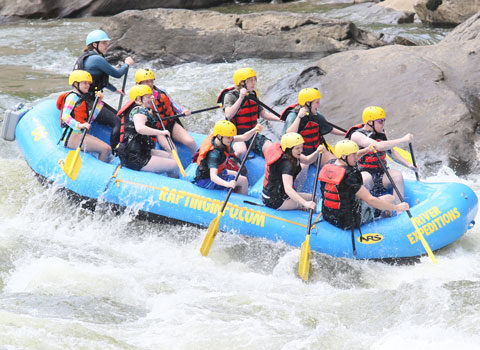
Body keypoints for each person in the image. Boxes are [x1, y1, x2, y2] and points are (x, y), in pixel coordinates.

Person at [318, 140, 409, 230]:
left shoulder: (329, 165)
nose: (356, 157)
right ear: (344, 156)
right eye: (353, 154)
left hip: (329, 216)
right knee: (390, 198)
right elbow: (370, 200)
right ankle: (387, 227)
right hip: (348, 221)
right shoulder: (350, 175)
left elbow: (353, 156)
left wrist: (366, 150)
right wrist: (397, 207)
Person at [74, 29, 134, 151]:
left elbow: (97, 80)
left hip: (86, 99)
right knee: (118, 121)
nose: (107, 46)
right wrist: (126, 64)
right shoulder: (97, 59)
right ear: (95, 44)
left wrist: (115, 90)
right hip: (88, 103)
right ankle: (115, 150)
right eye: (104, 43)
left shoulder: (87, 58)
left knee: (120, 115)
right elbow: (117, 74)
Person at [348, 106, 415, 203]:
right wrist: (403, 140)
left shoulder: (383, 133)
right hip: (362, 174)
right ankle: (364, 209)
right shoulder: (357, 135)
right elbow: (378, 146)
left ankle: (400, 211)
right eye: (380, 121)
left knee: (397, 175)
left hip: (380, 174)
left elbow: (392, 153)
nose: (383, 124)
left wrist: (409, 164)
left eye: (384, 120)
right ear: (370, 122)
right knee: (366, 177)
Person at [281, 87, 345, 188]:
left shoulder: (317, 115)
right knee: (304, 168)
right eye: (316, 102)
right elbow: (288, 135)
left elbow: (331, 129)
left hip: (317, 151)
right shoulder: (293, 116)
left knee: (336, 164)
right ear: (307, 103)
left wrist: (346, 133)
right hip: (300, 154)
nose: (319, 105)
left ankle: (337, 189)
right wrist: (299, 117)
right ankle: (297, 190)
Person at [218, 67, 281, 159]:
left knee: (271, 148)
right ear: (242, 83)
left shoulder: (253, 94)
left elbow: (263, 113)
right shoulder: (230, 96)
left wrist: (279, 119)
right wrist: (241, 98)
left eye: (254, 80)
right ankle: (232, 163)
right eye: (250, 80)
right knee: (241, 151)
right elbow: (228, 115)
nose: (254, 83)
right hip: (235, 135)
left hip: (252, 132)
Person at [116, 84, 178, 177]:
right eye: (148, 97)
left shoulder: (145, 110)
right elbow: (140, 128)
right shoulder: (138, 111)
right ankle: (175, 185)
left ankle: (172, 179)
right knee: (174, 165)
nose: (151, 99)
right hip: (134, 157)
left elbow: (157, 135)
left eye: (151, 96)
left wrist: (171, 149)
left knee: (171, 157)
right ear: (138, 99)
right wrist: (161, 132)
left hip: (141, 151)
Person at [134, 68, 197, 156]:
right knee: (173, 150)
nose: (150, 84)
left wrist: (183, 111)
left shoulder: (161, 91)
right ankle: (174, 168)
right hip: (156, 129)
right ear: (139, 83)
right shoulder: (137, 98)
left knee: (190, 142)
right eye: (146, 81)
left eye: (151, 81)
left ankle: (196, 159)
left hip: (170, 124)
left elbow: (173, 103)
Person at [57, 70, 111, 162]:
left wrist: (98, 103)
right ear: (75, 83)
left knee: (108, 148)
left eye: (88, 83)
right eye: (84, 83)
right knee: (106, 149)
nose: (88, 85)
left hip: (79, 134)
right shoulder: (72, 97)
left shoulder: (82, 98)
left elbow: (91, 118)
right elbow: (65, 116)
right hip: (71, 137)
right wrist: (79, 125)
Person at [194, 120, 260, 195]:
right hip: (207, 181)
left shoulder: (222, 139)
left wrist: (254, 130)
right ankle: (242, 202)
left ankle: (238, 193)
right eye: (228, 137)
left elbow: (243, 137)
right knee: (244, 180)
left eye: (231, 137)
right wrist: (227, 184)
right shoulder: (214, 154)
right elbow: (213, 177)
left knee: (237, 173)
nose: (231, 139)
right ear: (219, 136)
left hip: (216, 172)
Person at [262, 133, 322, 211]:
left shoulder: (291, 154)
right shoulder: (287, 165)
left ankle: (307, 215)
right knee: (310, 201)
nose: (301, 150)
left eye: (301, 147)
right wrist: (305, 203)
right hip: (275, 200)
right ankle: (305, 219)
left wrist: (317, 152)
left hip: (279, 194)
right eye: (297, 148)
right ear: (289, 149)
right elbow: (288, 189)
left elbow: (307, 160)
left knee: (313, 198)